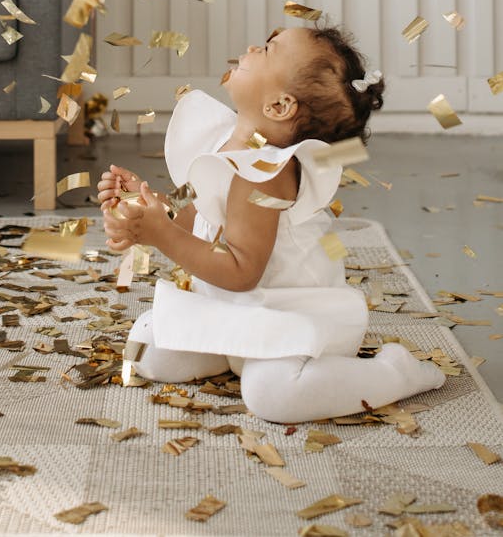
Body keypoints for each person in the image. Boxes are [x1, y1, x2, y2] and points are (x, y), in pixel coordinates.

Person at [98, 24, 445, 424]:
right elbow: (188, 209)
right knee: (146, 350)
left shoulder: (266, 173)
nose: (249, 47)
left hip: (288, 317)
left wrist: (160, 236)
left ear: (279, 107)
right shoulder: (223, 140)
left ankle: (391, 372)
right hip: (229, 306)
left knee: (272, 397)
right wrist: (143, 204)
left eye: (266, 49)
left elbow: (242, 270)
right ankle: (234, 352)